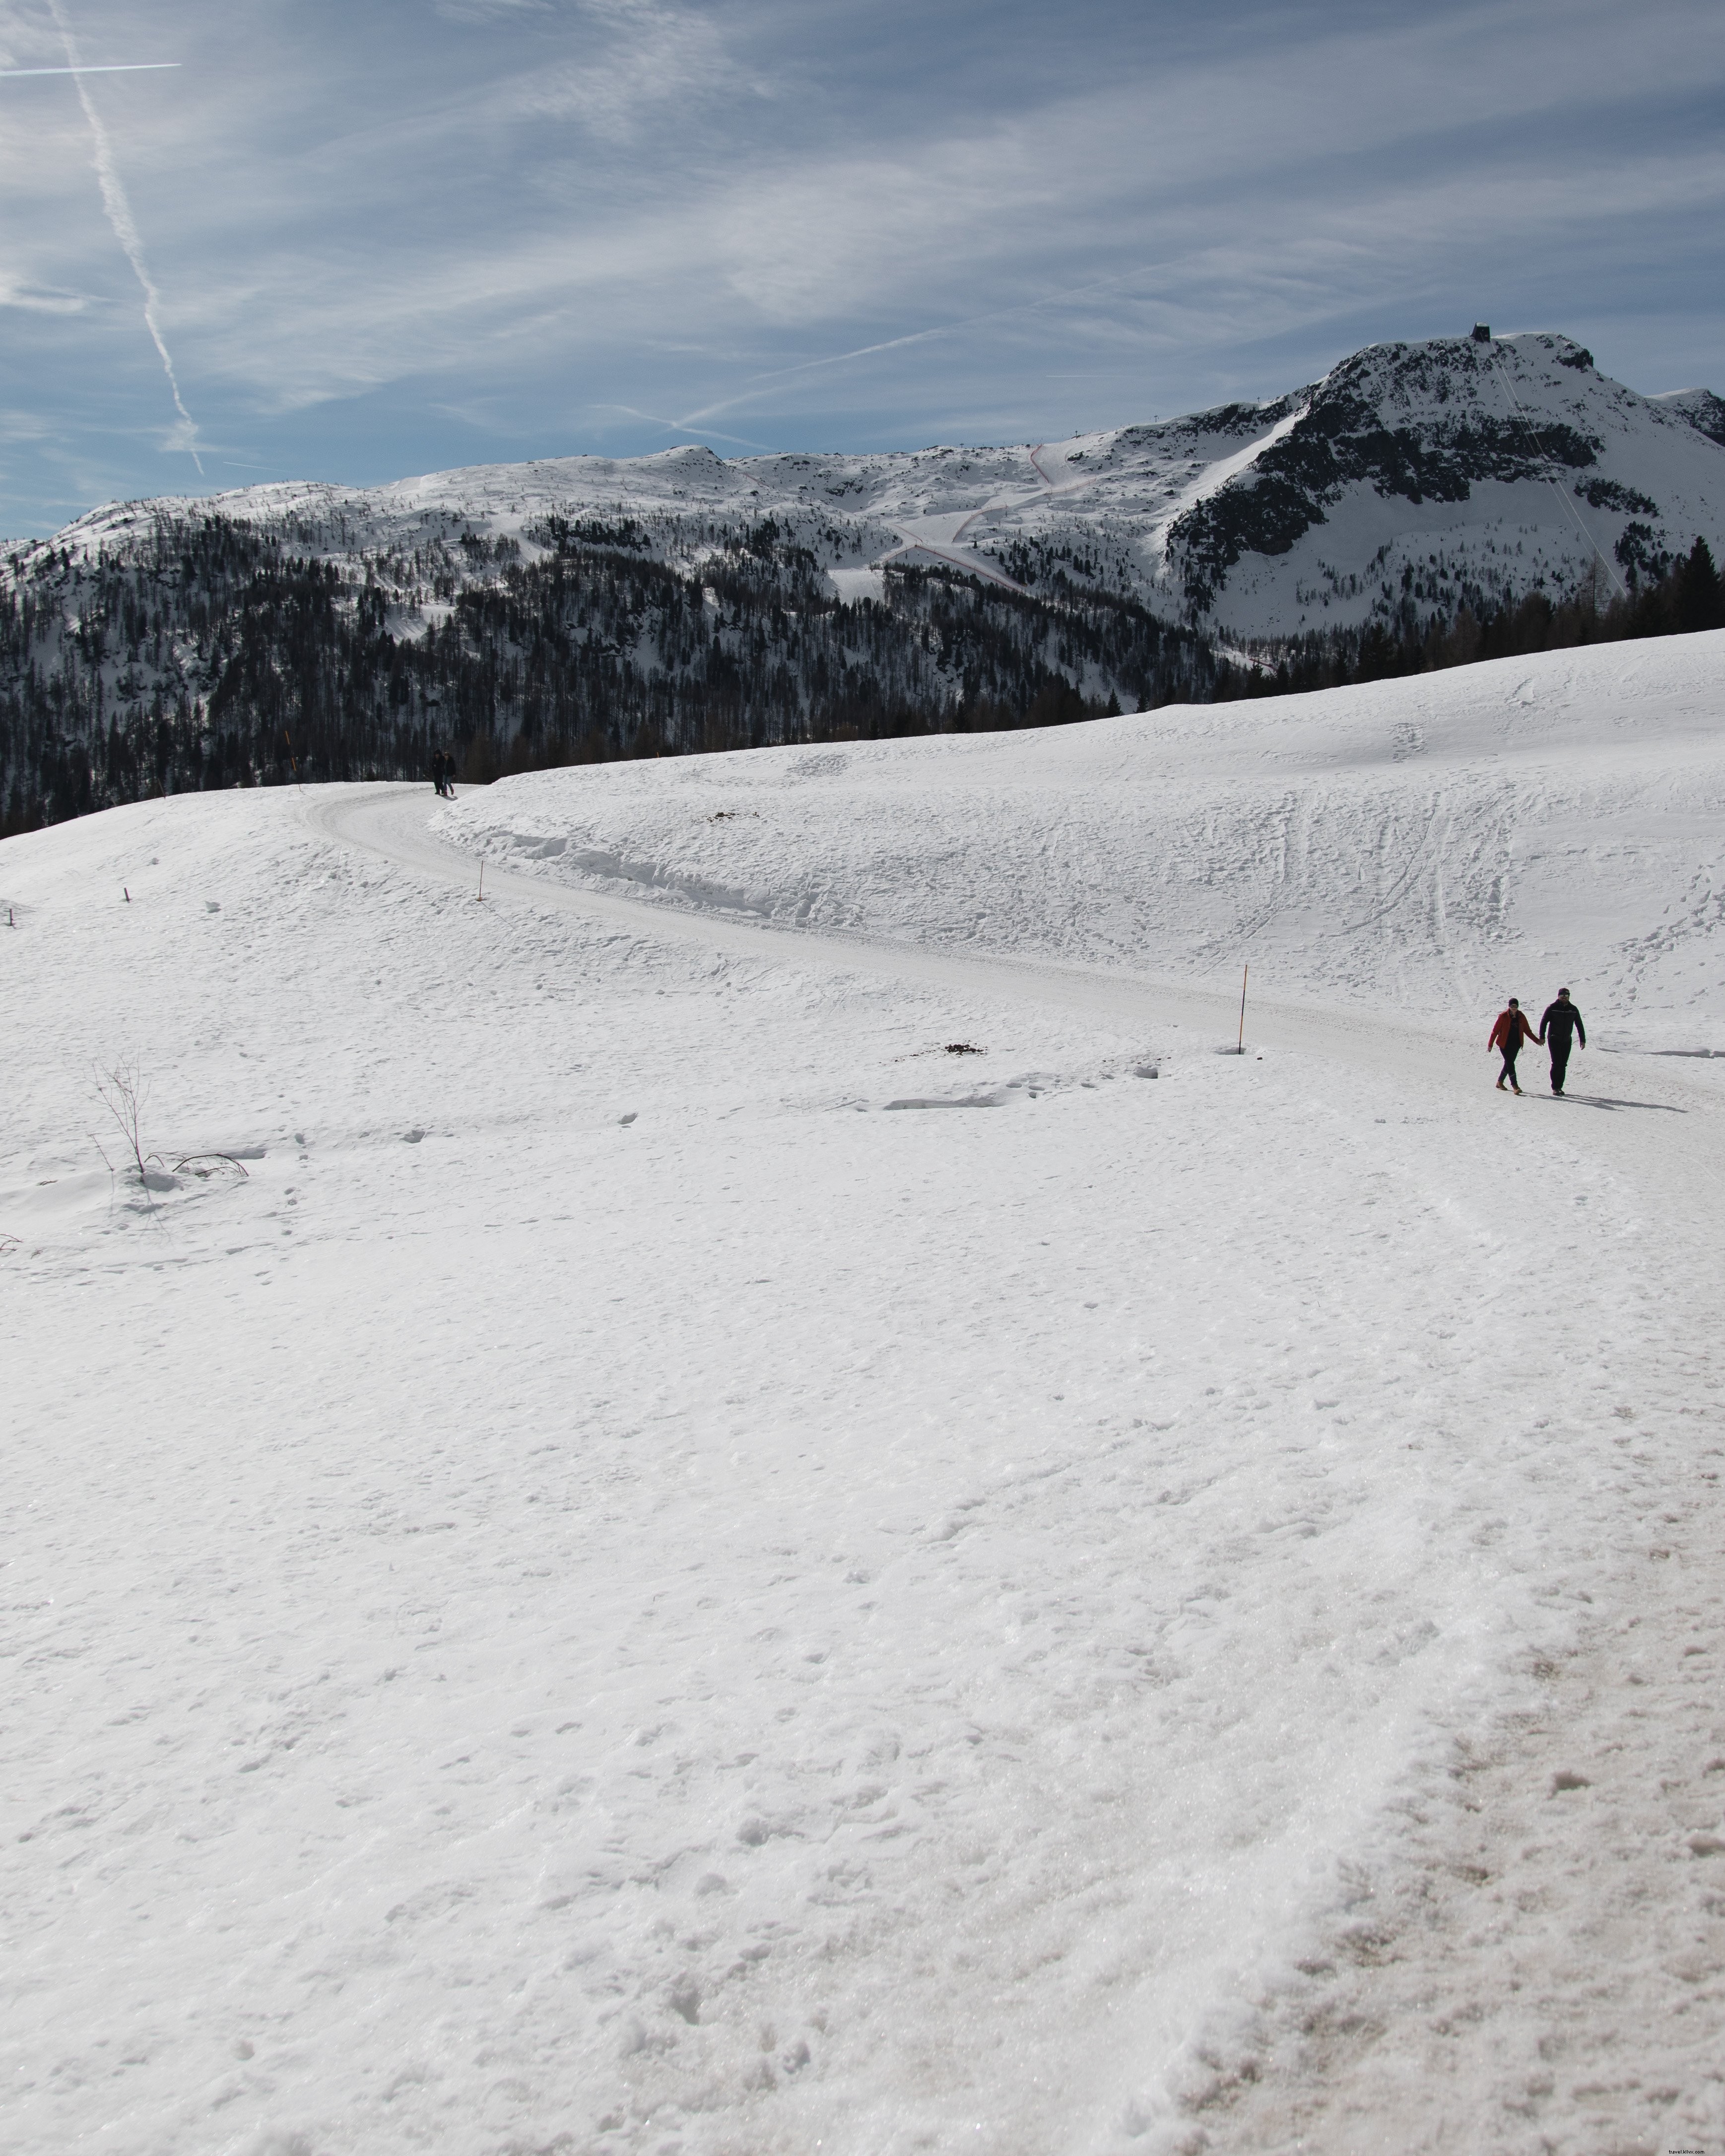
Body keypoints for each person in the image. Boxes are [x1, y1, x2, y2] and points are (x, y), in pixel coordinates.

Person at [1538, 988, 1586, 1096]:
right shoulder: (1552, 1008)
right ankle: (1555, 1087)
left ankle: (1560, 1087)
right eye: (1562, 995)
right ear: (1558, 996)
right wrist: (1542, 1036)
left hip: (1566, 1040)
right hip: (1554, 1039)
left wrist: (1582, 1040)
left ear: (1569, 996)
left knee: (1563, 1064)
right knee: (1556, 1063)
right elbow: (1544, 1022)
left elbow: (1579, 1025)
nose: (1564, 997)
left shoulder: (1573, 1009)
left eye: (1566, 995)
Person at [1488, 997, 1535, 1092]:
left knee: (1508, 1064)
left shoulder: (1521, 1016)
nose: (1514, 1008)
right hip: (1504, 1044)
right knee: (1510, 1063)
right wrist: (1490, 1044)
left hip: (1516, 1044)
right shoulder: (1503, 1016)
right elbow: (1495, 1031)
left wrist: (1537, 1041)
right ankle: (1515, 1086)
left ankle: (1500, 1081)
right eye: (1512, 1006)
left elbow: (1527, 1030)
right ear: (1509, 1006)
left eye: (1516, 1006)